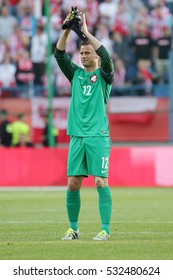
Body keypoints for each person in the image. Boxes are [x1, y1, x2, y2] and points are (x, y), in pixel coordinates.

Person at [54, 11, 114, 241]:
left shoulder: (104, 75)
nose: (84, 55)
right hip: (77, 136)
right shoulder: (76, 75)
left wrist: (87, 33)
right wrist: (67, 29)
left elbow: (106, 56)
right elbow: (59, 55)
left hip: (98, 135)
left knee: (100, 181)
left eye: (88, 52)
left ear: (95, 57)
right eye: (81, 52)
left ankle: (106, 230)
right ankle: (73, 228)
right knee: (72, 184)